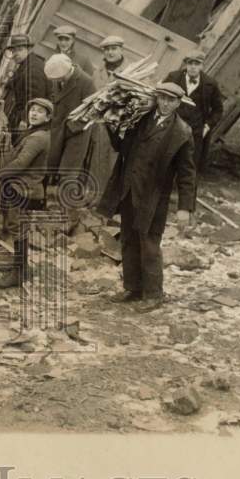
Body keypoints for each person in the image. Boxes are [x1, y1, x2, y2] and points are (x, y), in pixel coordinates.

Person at [98, 82, 196, 312]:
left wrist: (185, 207)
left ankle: (154, 294)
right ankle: (132, 288)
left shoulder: (182, 132)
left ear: (178, 103)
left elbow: (187, 173)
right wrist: (112, 127)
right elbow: (122, 148)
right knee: (129, 239)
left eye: (170, 100)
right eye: (162, 98)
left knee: (150, 243)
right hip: (130, 189)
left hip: (154, 197)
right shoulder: (141, 119)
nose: (165, 103)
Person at [0, 98, 53, 288]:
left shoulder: (38, 137)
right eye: (32, 109)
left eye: (40, 112)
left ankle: (18, 273)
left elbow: (21, 163)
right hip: (25, 186)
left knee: (18, 228)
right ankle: (21, 266)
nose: (34, 113)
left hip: (24, 189)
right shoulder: (34, 133)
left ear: (48, 117)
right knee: (19, 227)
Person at [164, 49, 223, 209]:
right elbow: (161, 97)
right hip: (171, 130)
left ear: (202, 65)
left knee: (190, 170)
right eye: (190, 63)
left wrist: (207, 126)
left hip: (194, 135)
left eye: (196, 64)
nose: (192, 67)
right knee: (164, 165)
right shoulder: (173, 77)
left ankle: (187, 210)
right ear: (186, 64)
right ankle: (159, 204)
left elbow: (218, 110)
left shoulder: (210, 84)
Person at [44, 53, 95, 233]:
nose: (56, 81)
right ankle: (59, 212)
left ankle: (70, 218)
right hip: (59, 131)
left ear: (68, 70)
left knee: (68, 175)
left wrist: (72, 127)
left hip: (77, 133)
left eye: (59, 78)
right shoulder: (58, 79)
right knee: (55, 172)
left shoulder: (86, 82)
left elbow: (92, 111)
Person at [87, 35, 127, 207]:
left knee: (114, 160)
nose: (110, 53)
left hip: (119, 124)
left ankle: (111, 200)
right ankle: (94, 195)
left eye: (114, 49)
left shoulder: (132, 71)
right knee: (95, 159)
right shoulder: (98, 71)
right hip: (100, 122)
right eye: (107, 49)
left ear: (121, 50)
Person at [1, 34, 47, 143]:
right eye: (13, 51)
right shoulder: (26, 64)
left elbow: (36, 99)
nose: (14, 55)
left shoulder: (33, 69)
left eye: (19, 50)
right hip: (23, 114)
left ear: (28, 49)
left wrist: (25, 120)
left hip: (29, 119)